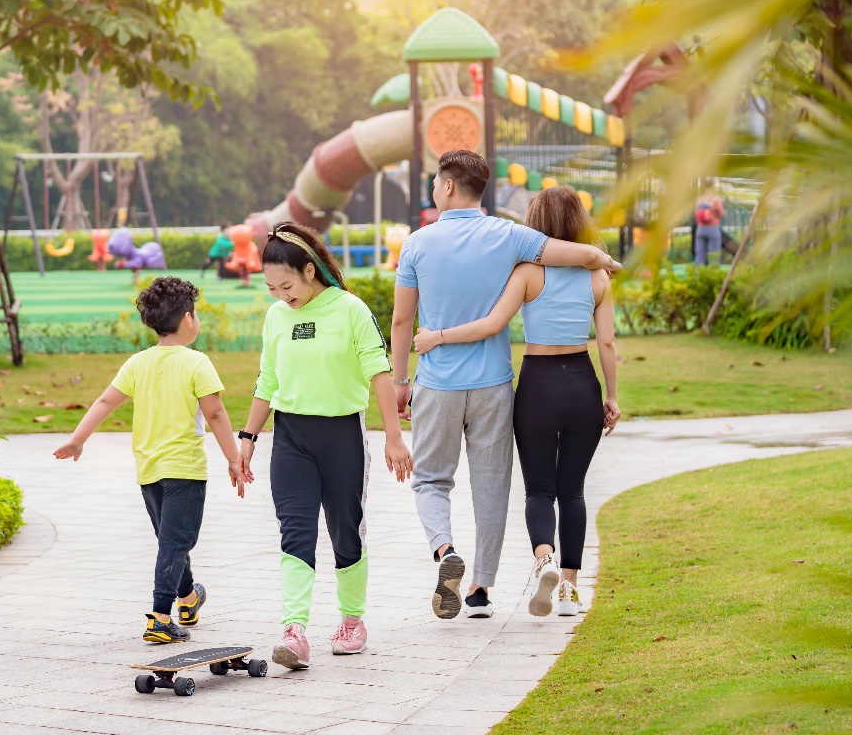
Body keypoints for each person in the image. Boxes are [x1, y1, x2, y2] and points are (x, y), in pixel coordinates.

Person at [391, 150, 620, 621]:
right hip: (497, 383)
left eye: (436, 181)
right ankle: (479, 590)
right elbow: (574, 255)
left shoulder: (417, 243)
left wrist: (401, 380)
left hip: (440, 382)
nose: (434, 188)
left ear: (449, 186)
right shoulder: (509, 236)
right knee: (494, 488)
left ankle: (444, 550)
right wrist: (602, 257)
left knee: (432, 480)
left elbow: (400, 319)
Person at [239, 222, 413, 670]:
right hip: (291, 438)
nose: (281, 295)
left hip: (342, 437)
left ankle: (352, 622)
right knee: (295, 532)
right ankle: (294, 631)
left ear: (310, 270)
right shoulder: (277, 317)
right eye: (272, 287)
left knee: (345, 530)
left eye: (288, 284)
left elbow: (379, 372)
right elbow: (268, 381)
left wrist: (394, 437)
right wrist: (248, 438)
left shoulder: (350, 309)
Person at [54, 277, 249, 645]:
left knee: (171, 539)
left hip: (148, 471)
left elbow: (105, 402)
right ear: (189, 319)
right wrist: (234, 458)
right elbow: (218, 415)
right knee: (175, 543)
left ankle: (188, 600)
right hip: (185, 471)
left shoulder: (138, 362)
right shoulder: (196, 362)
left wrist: (78, 439)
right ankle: (160, 618)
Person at [693, 191, 725, 266]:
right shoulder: (716, 199)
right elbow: (721, 213)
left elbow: (696, 212)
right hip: (713, 228)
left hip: (700, 229)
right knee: (714, 253)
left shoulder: (699, 199)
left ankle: (699, 274)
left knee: (700, 253)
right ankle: (713, 274)